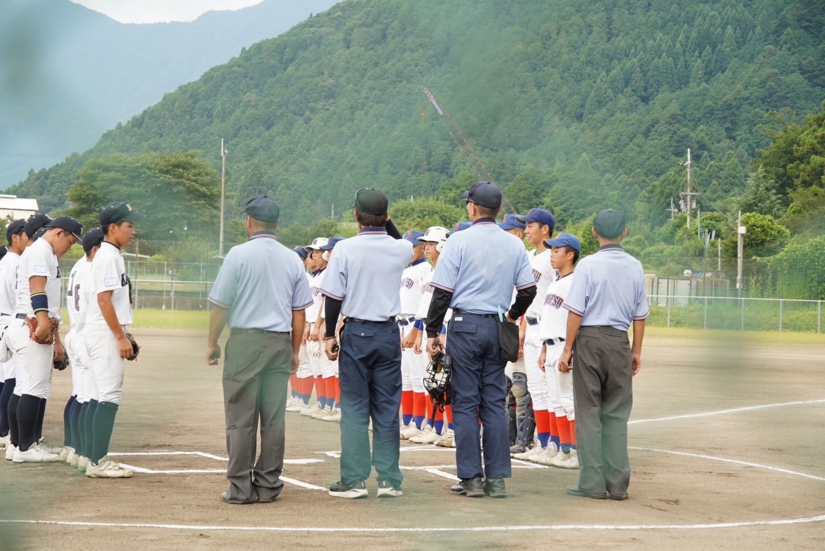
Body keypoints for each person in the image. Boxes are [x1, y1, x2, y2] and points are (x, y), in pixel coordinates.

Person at [425, 181, 537, 498]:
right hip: (497, 327)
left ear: (472, 208)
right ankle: (497, 479)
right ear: (499, 210)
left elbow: (442, 292)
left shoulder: (459, 241)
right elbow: (528, 290)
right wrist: (512, 314)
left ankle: (471, 478)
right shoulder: (514, 244)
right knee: (493, 403)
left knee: (464, 403)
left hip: (464, 326)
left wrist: (433, 332)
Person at [206, 195, 312, 504]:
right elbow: (299, 313)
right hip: (279, 342)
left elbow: (221, 306)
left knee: (241, 417)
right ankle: (268, 485)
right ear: (278, 224)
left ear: (249, 222)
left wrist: (212, 343)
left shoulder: (238, 255)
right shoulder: (293, 258)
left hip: (245, 342)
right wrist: (293, 352)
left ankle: (240, 488)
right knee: (273, 419)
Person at [321, 188, 412, 499]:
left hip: (358, 334)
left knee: (356, 409)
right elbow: (400, 240)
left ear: (356, 216)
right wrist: (386, 221)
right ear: (385, 217)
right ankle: (388, 481)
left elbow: (333, 297)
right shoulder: (400, 249)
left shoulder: (346, 248)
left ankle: (355, 480)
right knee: (387, 408)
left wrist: (330, 334)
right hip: (388, 334)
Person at [559, 209, 649, 500]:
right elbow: (640, 315)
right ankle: (619, 484)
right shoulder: (635, 266)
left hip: (590, 340)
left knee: (588, 412)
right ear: (625, 232)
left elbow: (576, 310)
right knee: (616, 413)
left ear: (594, 233)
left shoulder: (588, 265)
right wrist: (635, 351)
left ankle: (592, 482)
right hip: (620, 341)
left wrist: (568, 348)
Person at [6, 217, 82, 463]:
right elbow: (37, 287)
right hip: (31, 325)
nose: (69, 247)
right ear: (59, 233)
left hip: (25, 323)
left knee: (24, 387)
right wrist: (43, 322)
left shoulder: (41, 251)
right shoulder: (41, 251)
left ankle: (19, 445)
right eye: (70, 241)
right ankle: (26, 449)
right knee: (33, 388)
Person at [83, 202, 143, 478]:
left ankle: (91, 457)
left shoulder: (109, 254)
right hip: (105, 333)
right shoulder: (108, 256)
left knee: (98, 396)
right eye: (129, 226)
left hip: (100, 331)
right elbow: (104, 300)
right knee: (109, 396)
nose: (133, 231)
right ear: (113, 228)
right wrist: (120, 336)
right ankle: (98, 462)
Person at [512, 209, 558, 463]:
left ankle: (555, 443)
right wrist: (521, 327)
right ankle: (542, 443)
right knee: (535, 389)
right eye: (525, 225)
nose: (526, 230)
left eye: (531, 225)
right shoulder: (528, 257)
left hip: (546, 328)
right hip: (529, 326)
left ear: (545, 229)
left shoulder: (553, 258)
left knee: (548, 388)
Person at [537, 233, 581, 469]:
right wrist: (544, 349)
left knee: (568, 401)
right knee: (555, 401)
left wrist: (569, 349)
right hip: (550, 345)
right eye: (551, 251)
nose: (552, 254)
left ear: (570, 255)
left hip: (565, 346)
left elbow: (575, 318)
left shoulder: (574, 281)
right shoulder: (555, 282)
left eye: (556, 251)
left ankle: (575, 452)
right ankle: (564, 449)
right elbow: (549, 319)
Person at [62, 227, 104, 469]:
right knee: (92, 397)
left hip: (75, 333)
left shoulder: (79, 264)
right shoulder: (94, 269)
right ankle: (85, 453)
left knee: (79, 394)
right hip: (88, 336)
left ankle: (73, 449)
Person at [409, 226, 453, 446]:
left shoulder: (447, 271)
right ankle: (433, 425)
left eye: (432, 243)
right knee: (431, 381)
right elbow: (423, 306)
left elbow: (447, 308)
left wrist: (439, 334)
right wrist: (419, 332)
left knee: (444, 381)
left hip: (441, 331)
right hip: (428, 329)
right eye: (425, 243)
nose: (426, 247)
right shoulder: (429, 272)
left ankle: (448, 429)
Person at [397, 230, 430, 440]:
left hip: (417, 326)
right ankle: (408, 421)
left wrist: (415, 330)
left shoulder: (426, 268)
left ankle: (423, 424)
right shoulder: (405, 270)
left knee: (423, 379)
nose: (410, 251)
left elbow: (424, 304)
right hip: (402, 324)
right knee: (408, 378)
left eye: (414, 246)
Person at [309, 236, 345, 422]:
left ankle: (337, 406)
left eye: (329, 250)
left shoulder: (334, 272)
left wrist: (319, 325)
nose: (325, 253)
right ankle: (329, 405)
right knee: (324, 367)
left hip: (337, 323)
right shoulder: (324, 274)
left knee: (335, 368)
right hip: (327, 324)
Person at [0, 220, 28, 450]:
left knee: (5, 379)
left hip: (4, 318)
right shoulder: (16, 263)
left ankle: (3, 431)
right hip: (10, 319)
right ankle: (4, 432)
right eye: (27, 234)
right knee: (12, 379)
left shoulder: (5, 261)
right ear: (15, 237)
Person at [286, 246, 312, 412]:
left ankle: (303, 399)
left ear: (304, 261)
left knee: (304, 363)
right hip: (292, 324)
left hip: (306, 324)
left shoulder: (306, 278)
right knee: (293, 362)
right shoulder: (292, 277)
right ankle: (295, 396)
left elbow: (307, 308)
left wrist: (306, 326)